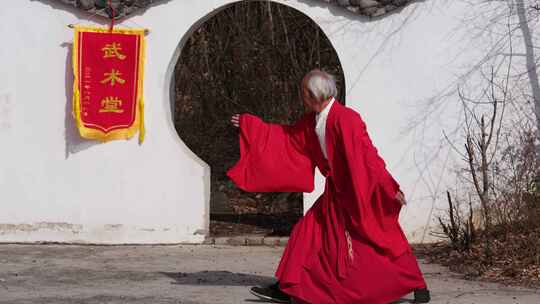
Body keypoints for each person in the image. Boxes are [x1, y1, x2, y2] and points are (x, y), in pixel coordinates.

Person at [227, 70, 430, 304]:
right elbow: (286, 138)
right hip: (335, 195)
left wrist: (388, 187)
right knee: (306, 233)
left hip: (358, 192)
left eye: (304, 92)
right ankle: (287, 287)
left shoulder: (346, 119)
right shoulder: (313, 121)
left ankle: (419, 287)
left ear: (315, 94)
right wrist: (250, 125)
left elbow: (368, 157)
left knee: (381, 239)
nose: (301, 96)